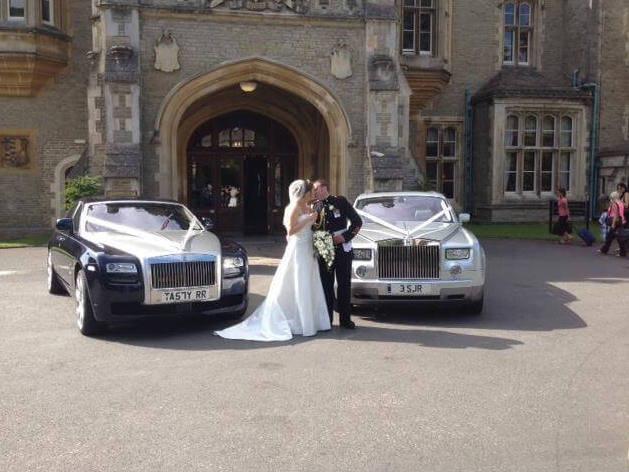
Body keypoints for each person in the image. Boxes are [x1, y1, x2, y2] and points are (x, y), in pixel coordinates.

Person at [215, 180, 330, 341]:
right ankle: (300, 322)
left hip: (308, 248)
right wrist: (308, 220)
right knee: (299, 282)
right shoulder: (294, 207)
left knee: (309, 283)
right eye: (312, 191)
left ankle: (313, 321)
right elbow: (291, 230)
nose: (314, 194)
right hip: (298, 250)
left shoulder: (308, 206)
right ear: (305, 193)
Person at [312, 179, 362, 329]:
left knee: (344, 285)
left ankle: (345, 320)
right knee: (326, 286)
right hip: (325, 250)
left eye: (316, 189)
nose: (314, 192)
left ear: (324, 188)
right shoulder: (315, 206)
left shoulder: (340, 202)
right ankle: (327, 320)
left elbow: (357, 222)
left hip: (341, 250)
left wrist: (345, 237)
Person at [599, 191, 627, 257]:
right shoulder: (621, 203)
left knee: (612, 237)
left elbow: (615, 215)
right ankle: (605, 249)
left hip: (615, 222)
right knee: (618, 237)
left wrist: (613, 225)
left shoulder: (614, 204)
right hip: (621, 221)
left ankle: (622, 252)